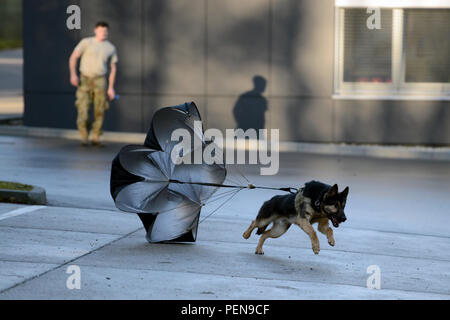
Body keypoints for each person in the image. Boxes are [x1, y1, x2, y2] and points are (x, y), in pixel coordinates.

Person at [69, 21, 118, 146]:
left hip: (100, 80)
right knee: (83, 109)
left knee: (100, 109)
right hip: (84, 79)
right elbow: (73, 57)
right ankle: (84, 136)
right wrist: (73, 74)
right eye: (101, 30)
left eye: (105, 31)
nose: (103, 33)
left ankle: (96, 136)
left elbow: (113, 69)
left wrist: (111, 88)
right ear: (95, 30)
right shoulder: (86, 42)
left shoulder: (110, 47)